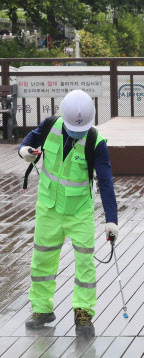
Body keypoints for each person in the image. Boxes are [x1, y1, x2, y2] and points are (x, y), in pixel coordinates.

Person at [19, 89, 118, 337]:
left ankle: (83, 312)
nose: (76, 134)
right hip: (48, 209)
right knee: (42, 261)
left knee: (85, 263)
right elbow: (29, 140)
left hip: (79, 212)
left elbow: (105, 182)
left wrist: (111, 220)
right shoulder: (51, 125)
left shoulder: (96, 142)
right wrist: (25, 151)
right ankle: (41, 309)